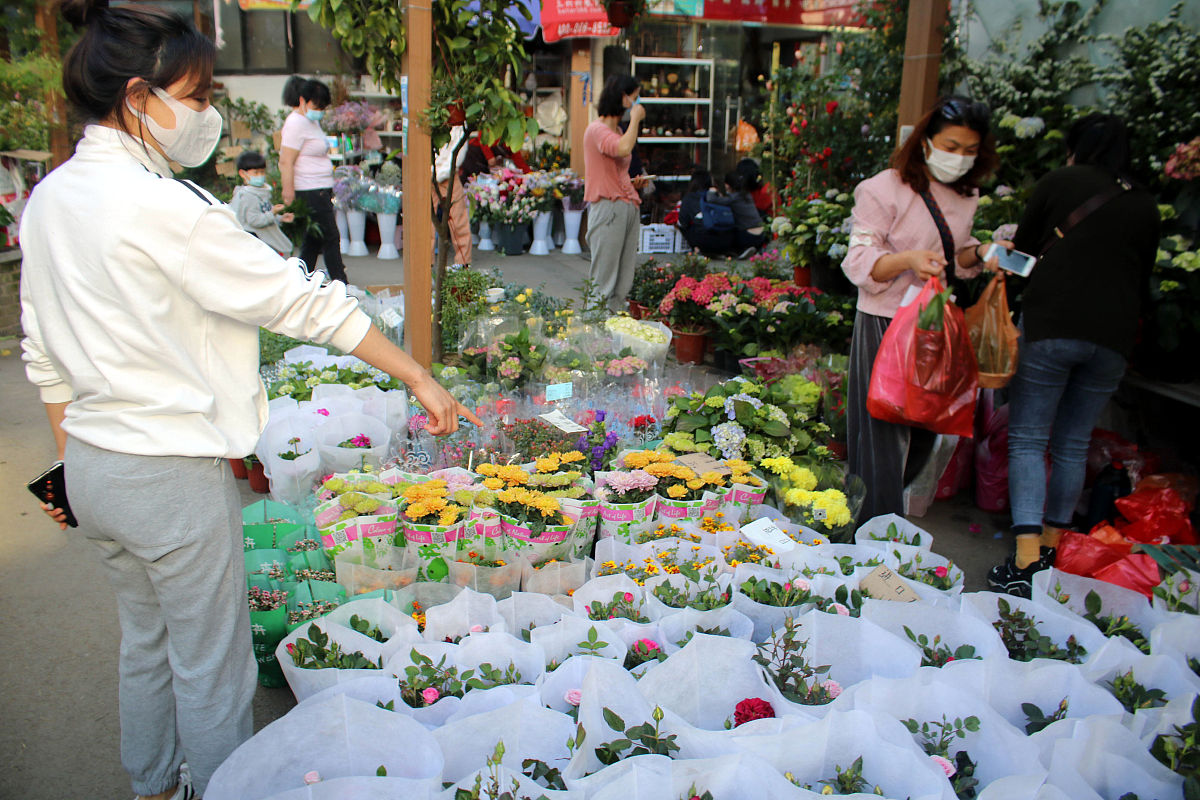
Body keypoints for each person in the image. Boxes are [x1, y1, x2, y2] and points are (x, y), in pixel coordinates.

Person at [21, 4, 480, 798]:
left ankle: (155, 784)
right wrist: (416, 375)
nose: (209, 115)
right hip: (168, 473)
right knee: (213, 664)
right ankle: (226, 786)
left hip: (92, 468)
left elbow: (43, 357)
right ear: (139, 97)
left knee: (146, 642)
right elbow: (304, 302)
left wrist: (72, 462)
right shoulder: (162, 207)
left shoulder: (53, 198)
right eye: (197, 98)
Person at [988, 114, 1160, 597]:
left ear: (1077, 147)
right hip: (1113, 340)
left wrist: (993, 252)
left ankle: (1024, 563)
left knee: (1027, 439)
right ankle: (1054, 547)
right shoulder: (1145, 203)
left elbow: (1021, 255)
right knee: (1072, 443)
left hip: (1052, 327)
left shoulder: (1062, 181)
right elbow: (1143, 275)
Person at [840, 96, 1002, 522]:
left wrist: (980, 251)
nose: (959, 158)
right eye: (951, 146)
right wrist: (908, 259)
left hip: (932, 327)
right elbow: (858, 261)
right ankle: (869, 536)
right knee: (882, 435)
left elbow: (957, 256)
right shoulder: (882, 189)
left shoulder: (967, 195)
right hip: (885, 322)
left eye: (970, 151)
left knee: (928, 428)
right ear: (926, 142)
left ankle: (870, 516)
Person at [584, 74, 646, 310]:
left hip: (627, 205)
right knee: (604, 280)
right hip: (608, 208)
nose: (637, 101)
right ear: (621, 97)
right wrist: (636, 119)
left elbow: (618, 166)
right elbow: (622, 148)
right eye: (634, 96)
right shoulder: (596, 130)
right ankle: (594, 333)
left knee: (623, 280)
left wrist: (632, 183)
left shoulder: (619, 130)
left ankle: (615, 333)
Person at [279, 78, 348, 284]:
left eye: (322, 108)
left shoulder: (311, 122)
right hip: (309, 189)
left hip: (320, 189)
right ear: (303, 101)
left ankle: (299, 284)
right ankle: (341, 284)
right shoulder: (295, 123)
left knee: (313, 241)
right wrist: (288, 193)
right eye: (316, 106)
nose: (319, 111)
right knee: (331, 238)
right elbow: (286, 161)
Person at [228, 149, 293, 256]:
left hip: (261, 243)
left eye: (262, 172)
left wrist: (279, 217)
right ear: (243, 174)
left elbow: (264, 211)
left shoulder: (259, 192)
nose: (260, 176)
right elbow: (255, 220)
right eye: (256, 172)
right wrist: (273, 213)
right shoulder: (248, 195)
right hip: (255, 244)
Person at [704, 170, 766, 259]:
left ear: (728, 185)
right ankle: (754, 249)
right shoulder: (747, 195)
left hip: (749, 235)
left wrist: (711, 191)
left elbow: (711, 200)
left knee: (727, 231)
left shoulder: (733, 198)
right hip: (761, 234)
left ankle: (740, 250)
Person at [677, 169, 735, 256]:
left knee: (683, 225)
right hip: (727, 241)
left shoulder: (689, 198)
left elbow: (683, 222)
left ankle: (696, 248)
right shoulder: (716, 195)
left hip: (704, 241)